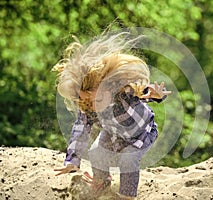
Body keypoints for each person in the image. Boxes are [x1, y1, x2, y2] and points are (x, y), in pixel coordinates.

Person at [53, 32, 171, 199]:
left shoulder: (122, 90)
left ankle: (127, 195)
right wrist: (72, 161)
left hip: (142, 133)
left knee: (128, 160)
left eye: (96, 97)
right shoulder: (88, 108)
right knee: (96, 152)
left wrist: (158, 95)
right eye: (83, 97)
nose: (91, 103)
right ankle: (102, 181)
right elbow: (80, 132)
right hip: (114, 134)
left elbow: (145, 91)